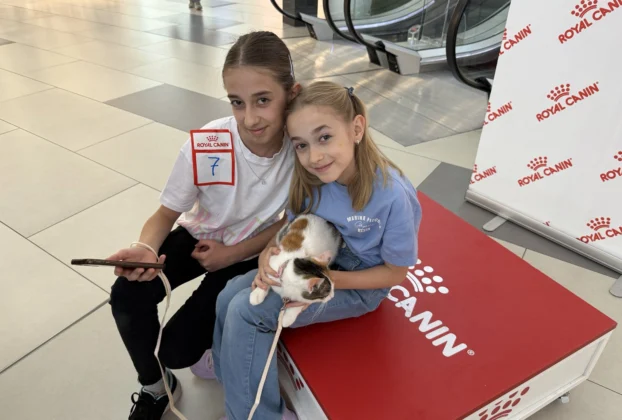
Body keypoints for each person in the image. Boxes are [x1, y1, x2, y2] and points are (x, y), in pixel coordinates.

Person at [107, 31, 300, 420]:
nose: (249, 118)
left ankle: (214, 344)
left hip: (250, 253)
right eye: (237, 102)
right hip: (199, 236)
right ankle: (155, 387)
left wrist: (233, 254)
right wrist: (145, 249)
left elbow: (291, 222)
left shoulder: (303, 148)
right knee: (126, 294)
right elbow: (165, 215)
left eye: (263, 100)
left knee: (177, 350)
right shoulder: (209, 142)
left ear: (291, 94)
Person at [208, 81, 422, 419]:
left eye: (324, 137)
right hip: (314, 259)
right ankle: (232, 379)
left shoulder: (393, 195)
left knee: (248, 312)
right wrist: (268, 253)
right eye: (302, 145)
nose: (314, 156)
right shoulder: (311, 179)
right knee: (228, 294)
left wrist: (325, 279)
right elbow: (292, 225)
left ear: (356, 129)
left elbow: (395, 274)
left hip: (358, 282)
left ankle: (256, 415)